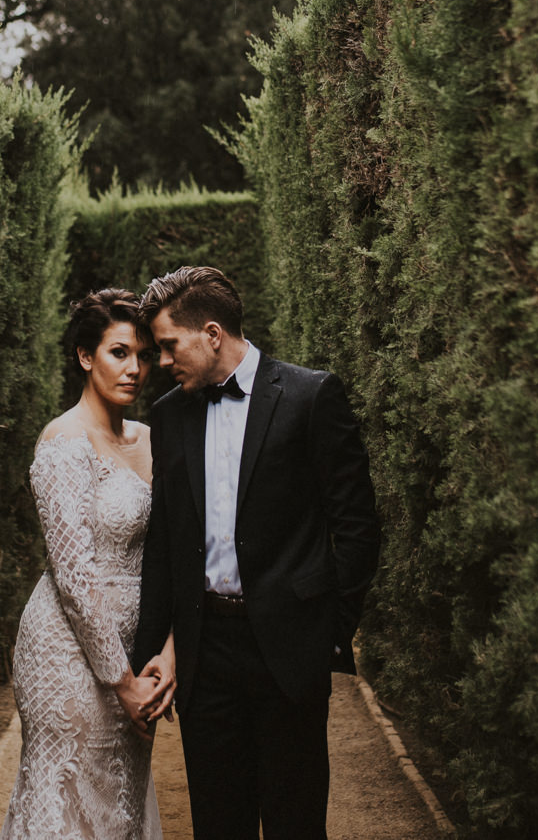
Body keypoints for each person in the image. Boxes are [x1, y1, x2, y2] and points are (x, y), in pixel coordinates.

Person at [128, 266, 380, 840]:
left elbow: (358, 526)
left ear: (211, 334)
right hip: (206, 656)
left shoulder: (310, 396)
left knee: (295, 822)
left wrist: (329, 632)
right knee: (219, 824)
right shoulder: (168, 415)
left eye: (168, 346)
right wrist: (154, 653)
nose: (161, 363)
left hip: (289, 653)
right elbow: (164, 545)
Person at [0, 288, 177, 840]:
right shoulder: (62, 442)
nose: (135, 369)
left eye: (144, 356)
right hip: (65, 654)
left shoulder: (154, 439)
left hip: (136, 650)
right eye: (119, 352)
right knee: (68, 804)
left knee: (121, 800)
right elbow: (74, 577)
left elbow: (177, 555)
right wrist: (121, 682)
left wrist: (168, 652)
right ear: (85, 356)